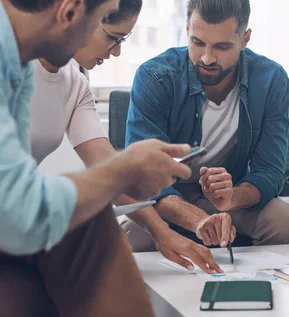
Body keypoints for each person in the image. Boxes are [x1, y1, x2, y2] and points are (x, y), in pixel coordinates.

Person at [0, 0, 218, 315]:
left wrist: (161, 232)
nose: (115, 52)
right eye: (105, 21)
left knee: (90, 221)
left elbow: (100, 166)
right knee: (87, 225)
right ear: (70, 10)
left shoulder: (35, 69)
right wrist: (124, 168)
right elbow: (15, 207)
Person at [124, 0, 289, 250]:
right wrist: (200, 220)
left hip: (227, 199)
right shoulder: (155, 77)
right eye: (197, 42)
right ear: (186, 29)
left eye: (222, 46)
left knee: (283, 219)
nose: (207, 58)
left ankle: (252, 287)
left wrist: (230, 199)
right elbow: (144, 178)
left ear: (245, 39)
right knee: (130, 237)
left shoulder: (271, 80)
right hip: (167, 198)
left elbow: (270, 172)